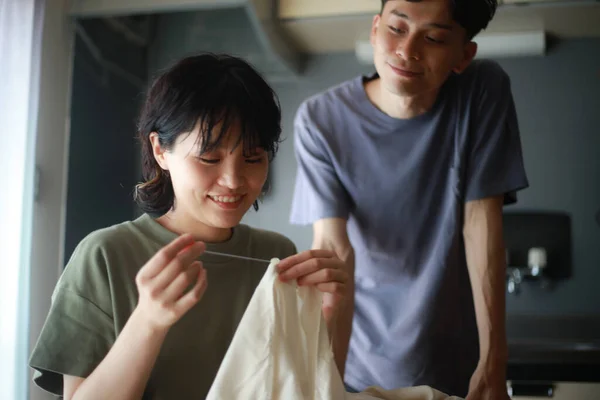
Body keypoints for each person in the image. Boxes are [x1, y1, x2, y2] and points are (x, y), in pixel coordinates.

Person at [29, 53, 349, 400]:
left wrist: (332, 313)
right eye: (209, 158)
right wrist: (148, 320)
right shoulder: (106, 255)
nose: (233, 180)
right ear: (161, 150)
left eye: (253, 158)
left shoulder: (277, 256)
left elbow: (308, 388)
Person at [289, 0, 529, 398]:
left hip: (457, 368)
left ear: (463, 55)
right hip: (359, 365)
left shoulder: (482, 90)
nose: (408, 51)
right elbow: (334, 251)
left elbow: (481, 227)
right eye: (397, 30)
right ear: (375, 29)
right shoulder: (320, 120)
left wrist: (493, 362)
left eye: (433, 38)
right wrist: (325, 381)